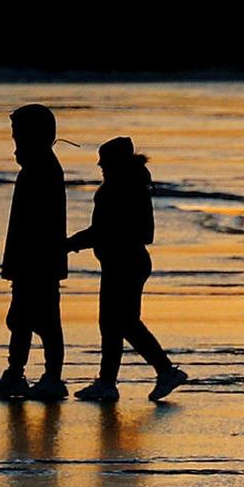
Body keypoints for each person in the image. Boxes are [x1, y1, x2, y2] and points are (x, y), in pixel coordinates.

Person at [66, 136, 188, 403]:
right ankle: (110, 382)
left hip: (124, 263)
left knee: (122, 324)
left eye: (103, 161)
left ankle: (163, 371)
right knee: (115, 324)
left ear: (114, 163)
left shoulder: (116, 189)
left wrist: (70, 243)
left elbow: (102, 231)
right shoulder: (135, 185)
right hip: (128, 261)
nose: (99, 165)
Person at [0, 104, 69, 401]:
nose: (14, 139)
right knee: (21, 320)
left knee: (44, 321)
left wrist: (27, 261)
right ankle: (16, 374)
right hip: (30, 262)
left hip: (38, 262)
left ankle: (51, 378)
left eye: (18, 133)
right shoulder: (36, 166)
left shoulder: (42, 168)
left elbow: (39, 224)